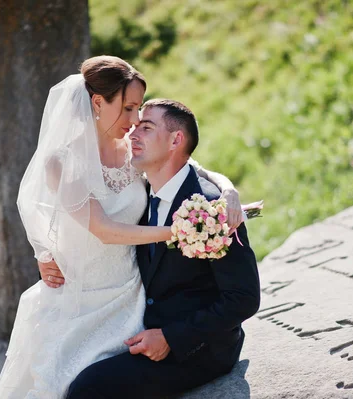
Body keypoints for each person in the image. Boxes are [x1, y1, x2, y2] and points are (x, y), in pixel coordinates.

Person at [0, 56, 243, 398]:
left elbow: (191, 164)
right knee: (62, 384)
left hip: (132, 295)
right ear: (98, 102)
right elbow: (104, 229)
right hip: (82, 302)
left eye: (138, 108)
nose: (136, 119)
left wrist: (228, 190)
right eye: (128, 108)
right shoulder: (62, 161)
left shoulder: (132, 151)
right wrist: (181, 231)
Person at [66, 99, 260, 398]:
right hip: (141, 325)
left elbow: (244, 298)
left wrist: (171, 337)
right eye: (134, 126)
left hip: (199, 348)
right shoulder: (140, 195)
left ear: (176, 140)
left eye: (146, 127)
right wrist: (49, 257)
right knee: (67, 361)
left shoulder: (210, 209)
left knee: (87, 388)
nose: (133, 134)